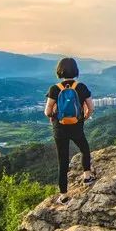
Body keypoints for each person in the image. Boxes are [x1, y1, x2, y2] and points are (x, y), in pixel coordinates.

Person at [44, 57, 95, 204]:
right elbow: (91, 108)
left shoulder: (55, 89)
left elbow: (47, 111)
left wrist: (55, 116)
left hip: (59, 128)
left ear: (59, 71)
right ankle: (87, 176)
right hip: (76, 126)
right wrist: (84, 117)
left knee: (63, 160)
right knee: (84, 149)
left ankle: (64, 195)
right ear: (76, 70)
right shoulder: (81, 87)